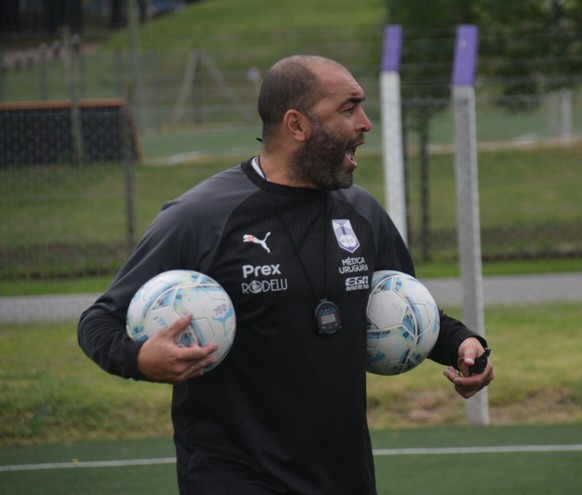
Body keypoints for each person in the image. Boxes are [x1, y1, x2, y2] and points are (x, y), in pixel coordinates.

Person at [78, 55, 494, 495]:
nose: (366, 123)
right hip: (233, 476)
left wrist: (461, 344)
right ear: (296, 125)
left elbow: (404, 307)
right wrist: (140, 359)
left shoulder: (362, 212)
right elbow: (100, 320)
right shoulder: (201, 217)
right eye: (349, 109)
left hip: (343, 476)